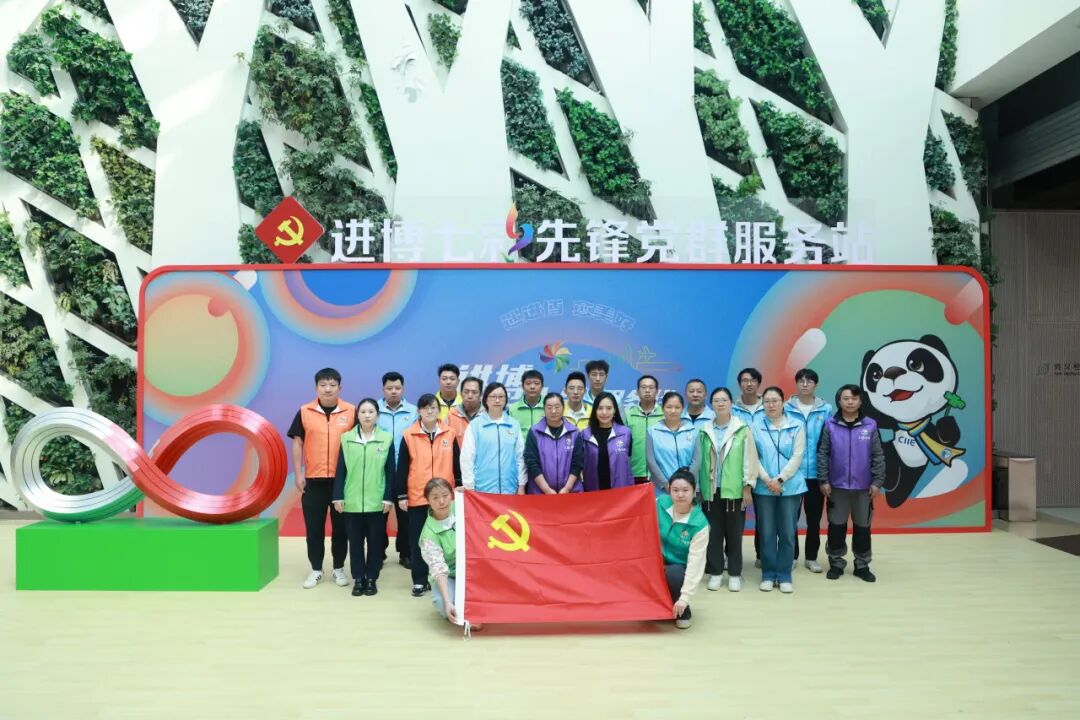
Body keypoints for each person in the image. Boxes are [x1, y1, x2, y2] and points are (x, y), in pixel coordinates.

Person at [287, 368, 355, 589]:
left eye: (332, 385)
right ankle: (316, 569)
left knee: (341, 529)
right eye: (323, 385)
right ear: (316, 388)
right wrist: (299, 474)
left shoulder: (351, 411)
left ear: (340, 388)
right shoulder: (304, 411)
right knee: (314, 529)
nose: (328, 389)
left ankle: (338, 568)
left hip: (341, 482)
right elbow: (297, 443)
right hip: (314, 480)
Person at [690, 387, 758, 592]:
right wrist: (698, 488)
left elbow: (750, 459)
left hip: (734, 491)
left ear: (731, 403)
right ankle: (716, 572)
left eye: (724, 400)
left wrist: (747, 487)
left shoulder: (742, 429)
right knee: (713, 535)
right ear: (711, 404)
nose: (720, 403)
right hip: (710, 491)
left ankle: (735, 574)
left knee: (735, 535)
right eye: (716, 400)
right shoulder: (704, 430)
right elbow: (699, 461)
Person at [818, 384, 886, 582]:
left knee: (863, 527)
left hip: (863, 488)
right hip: (836, 487)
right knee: (836, 526)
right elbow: (823, 454)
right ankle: (836, 563)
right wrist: (823, 480)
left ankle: (862, 565)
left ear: (860, 401)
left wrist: (877, 482)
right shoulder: (830, 425)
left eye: (854, 398)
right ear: (839, 401)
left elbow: (878, 455)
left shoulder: (870, 425)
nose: (850, 402)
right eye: (846, 398)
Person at [397, 394, 461, 597]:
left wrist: (459, 486)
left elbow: (457, 463)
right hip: (418, 496)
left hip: (444, 497)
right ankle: (419, 580)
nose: (430, 411)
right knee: (418, 539)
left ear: (439, 410)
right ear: (419, 411)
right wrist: (402, 495)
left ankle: (443, 577)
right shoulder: (408, 435)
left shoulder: (450, 433)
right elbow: (402, 467)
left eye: (434, 407)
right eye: (426, 408)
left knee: (444, 539)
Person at [332, 399, 394, 597]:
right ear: (357, 415)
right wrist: (338, 496)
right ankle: (358, 578)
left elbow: (390, 471)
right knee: (355, 543)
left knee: (375, 543)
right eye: (363, 412)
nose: (367, 415)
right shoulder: (346, 438)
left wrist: (388, 498)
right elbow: (340, 470)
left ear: (377, 415)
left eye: (371, 411)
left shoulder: (386, 439)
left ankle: (372, 578)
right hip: (352, 501)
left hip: (377, 502)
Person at [752, 386, 806, 593]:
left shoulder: (796, 425)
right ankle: (768, 574)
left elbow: (797, 456)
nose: (771, 405)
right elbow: (753, 457)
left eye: (775, 400)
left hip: (790, 487)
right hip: (764, 487)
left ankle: (784, 575)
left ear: (783, 402)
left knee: (787, 533)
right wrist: (767, 479)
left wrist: (781, 479)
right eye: (766, 401)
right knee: (766, 532)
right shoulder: (755, 426)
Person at [784, 368, 833, 573]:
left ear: (816, 384)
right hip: (792, 473)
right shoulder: (785, 408)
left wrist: (825, 473)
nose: (805, 384)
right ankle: (792, 556)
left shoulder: (826, 409)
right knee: (790, 519)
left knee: (814, 519)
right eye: (801, 381)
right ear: (796, 383)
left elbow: (830, 442)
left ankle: (811, 558)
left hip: (815, 474)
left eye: (809, 381)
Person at [657, 468, 709, 630]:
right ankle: (656, 606)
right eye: (675, 490)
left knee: (674, 574)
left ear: (694, 491)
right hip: (657, 558)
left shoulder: (699, 524)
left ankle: (682, 610)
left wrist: (685, 598)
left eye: (685, 490)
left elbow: (695, 564)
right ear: (669, 491)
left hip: (680, 567)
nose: (680, 495)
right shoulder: (660, 503)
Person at [377, 371, 417, 569]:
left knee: (406, 516)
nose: (394, 391)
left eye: (397, 388)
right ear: (383, 389)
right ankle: (379, 552)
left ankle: (405, 553)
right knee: (378, 516)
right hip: (380, 472)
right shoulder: (373, 410)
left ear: (403, 388)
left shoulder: (414, 411)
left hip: (406, 472)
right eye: (389, 388)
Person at [461, 382, 527, 495]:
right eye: (493, 397)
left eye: (501, 397)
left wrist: (521, 485)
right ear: (485, 400)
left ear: (506, 400)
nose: (497, 400)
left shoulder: (514, 425)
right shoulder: (475, 426)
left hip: (510, 489)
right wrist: (469, 487)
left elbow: (520, 457)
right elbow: (467, 459)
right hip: (482, 490)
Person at [732, 367, 765, 566]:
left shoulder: (768, 405)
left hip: (766, 470)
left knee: (764, 517)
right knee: (735, 518)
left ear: (759, 383)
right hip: (739, 471)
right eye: (745, 380)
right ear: (739, 384)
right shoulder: (732, 409)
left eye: (753, 380)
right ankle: (732, 556)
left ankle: (762, 555)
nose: (749, 383)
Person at [417, 478, 461, 623]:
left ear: (451, 495)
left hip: (472, 568)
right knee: (444, 604)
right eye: (435, 498)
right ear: (428, 501)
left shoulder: (461, 506)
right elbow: (439, 568)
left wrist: (467, 493)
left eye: (445, 495)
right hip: (449, 575)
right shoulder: (428, 535)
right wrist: (448, 602)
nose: (441, 501)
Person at [523, 392, 584, 494]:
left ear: (563, 408)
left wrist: (567, 488)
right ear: (544, 409)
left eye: (557, 407)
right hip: (540, 493)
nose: (553, 411)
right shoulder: (534, 432)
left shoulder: (574, 432)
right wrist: (546, 490)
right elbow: (532, 463)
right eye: (549, 407)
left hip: (570, 492)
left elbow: (577, 463)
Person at [581, 392, 633, 491]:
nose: (604, 412)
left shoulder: (625, 433)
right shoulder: (585, 435)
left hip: (621, 491)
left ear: (614, 410)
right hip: (593, 491)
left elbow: (628, 462)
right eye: (600, 408)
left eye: (609, 408)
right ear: (595, 411)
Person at [646, 391, 698, 492]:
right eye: (669, 407)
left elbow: (696, 460)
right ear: (662, 408)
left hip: (687, 488)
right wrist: (666, 484)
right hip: (661, 489)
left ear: (682, 409)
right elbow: (651, 461)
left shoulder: (692, 430)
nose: (673, 411)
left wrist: (686, 482)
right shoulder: (652, 431)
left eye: (677, 407)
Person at [624, 374, 664, 485]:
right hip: (635, 473)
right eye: (643, 387)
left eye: (651, 387)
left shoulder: (664, 415)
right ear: (637, 392)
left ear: (657, 391)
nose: (647, 391)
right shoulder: (628, 415)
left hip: (660, 473)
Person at [509, 369, 545, 439]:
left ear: (542, 386)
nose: (532, 387)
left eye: (536, 383)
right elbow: (510, 433)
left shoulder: (549, 407)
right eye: (528, 383)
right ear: (522, 386)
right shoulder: (512, 409)